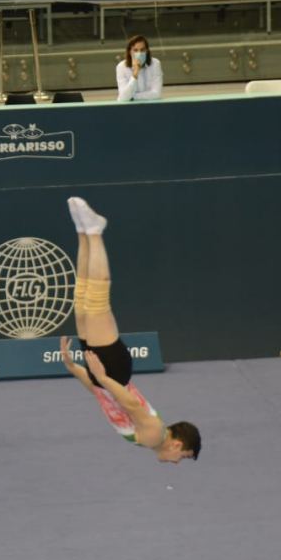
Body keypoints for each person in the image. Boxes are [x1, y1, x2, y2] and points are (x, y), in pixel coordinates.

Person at [61, 197, 201, 462]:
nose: (176, 462)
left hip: (105, 377)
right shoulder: (154, 435)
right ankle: (95, 232)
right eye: (183, 456)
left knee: (83, 297)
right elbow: (131, 404)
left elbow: (103, 397)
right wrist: (103, 377)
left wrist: (74, 368)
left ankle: (82, 231)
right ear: (177, 444)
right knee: (97, 301)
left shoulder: (151, 436)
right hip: (112, 371)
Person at [116, 34, 163, 102]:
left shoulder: (155, 64)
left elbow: (157, 94)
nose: (139, 53)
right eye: (135, 50)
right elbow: (123, 97)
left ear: (147, 51)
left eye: (142, 50)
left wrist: (132, 97)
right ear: (129, 52)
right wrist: (135, 74)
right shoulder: (121, 67)